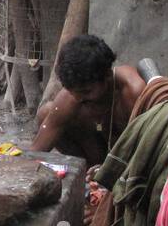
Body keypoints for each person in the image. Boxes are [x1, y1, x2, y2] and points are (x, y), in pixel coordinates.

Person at [31, 35, 148, 164]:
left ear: (107, 75)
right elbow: (35, 152)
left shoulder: (134, 91)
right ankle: (88, 173)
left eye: (85, 91)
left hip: (133, 161)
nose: (78, 98)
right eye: (71, 91)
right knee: (47, 113)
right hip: (96, 161)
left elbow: (151, 146)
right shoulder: (71, 97)